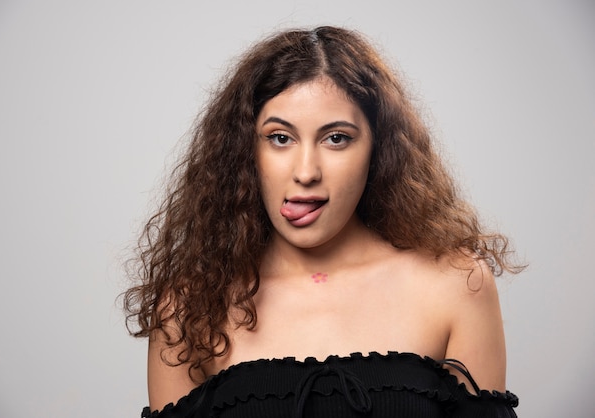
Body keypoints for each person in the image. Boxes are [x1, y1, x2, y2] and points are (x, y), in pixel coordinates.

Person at [124, 26, 522, 417]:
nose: (306, 171)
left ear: (377, 149)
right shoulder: (190, 308)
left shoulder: (455, 285)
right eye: (280, 137)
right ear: (245, 150)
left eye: (336, 138)